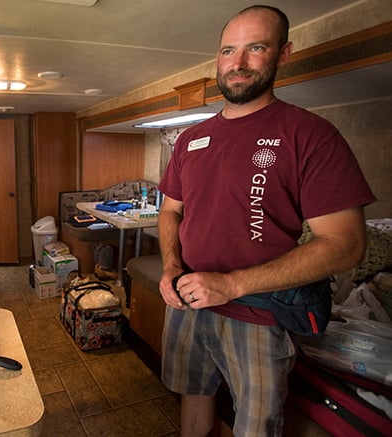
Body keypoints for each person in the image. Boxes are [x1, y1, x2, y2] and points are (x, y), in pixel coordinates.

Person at [156, 5, 376, 437]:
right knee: (194, 394)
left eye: (255, 48)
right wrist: (168, 267)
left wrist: (232, 285)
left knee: (256, 425)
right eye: (227, 51)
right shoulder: (189, 138)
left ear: (283, 54)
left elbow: (346, 245)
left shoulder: (309, 135)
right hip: (186, 301)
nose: (237, 63)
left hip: (258, 313)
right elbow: (170, 211)